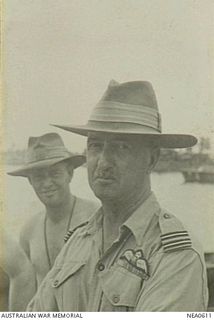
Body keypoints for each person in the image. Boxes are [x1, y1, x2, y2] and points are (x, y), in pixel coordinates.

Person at [27, 80, 208, 311]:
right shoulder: (78, 240)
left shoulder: (175, 253)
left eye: (121, 147)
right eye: (95, 146)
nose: (102, 162)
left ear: (151, 159)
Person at [7, 132, 98, 310]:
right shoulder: (29, 229)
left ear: (70, 174)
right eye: (39, 177)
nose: (47, 183)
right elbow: (25, 287)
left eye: (55, 173)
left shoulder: (96, 216)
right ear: (30, 182)